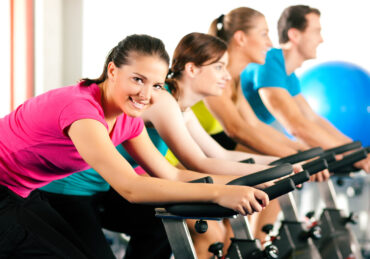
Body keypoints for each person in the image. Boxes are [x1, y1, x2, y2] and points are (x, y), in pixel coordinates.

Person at [0, 34, 270, 259]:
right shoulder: (82, 111)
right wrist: (217, 194)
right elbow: (131, 188)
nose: (145, 95)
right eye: (138, 79)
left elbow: (171, 173)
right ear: (112, 71)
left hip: (24, 190)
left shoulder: (127, 119)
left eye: (156, 85)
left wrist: (244, 184)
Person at [239, 5, 370, 172]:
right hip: (233, 146)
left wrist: (358, 151)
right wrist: (355, 156)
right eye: (316, 31)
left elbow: (312, 119)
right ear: (294, 35)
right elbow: (296, 126)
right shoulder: (269, 62)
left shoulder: (288, 76)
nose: (320, 39)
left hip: (254, 145)